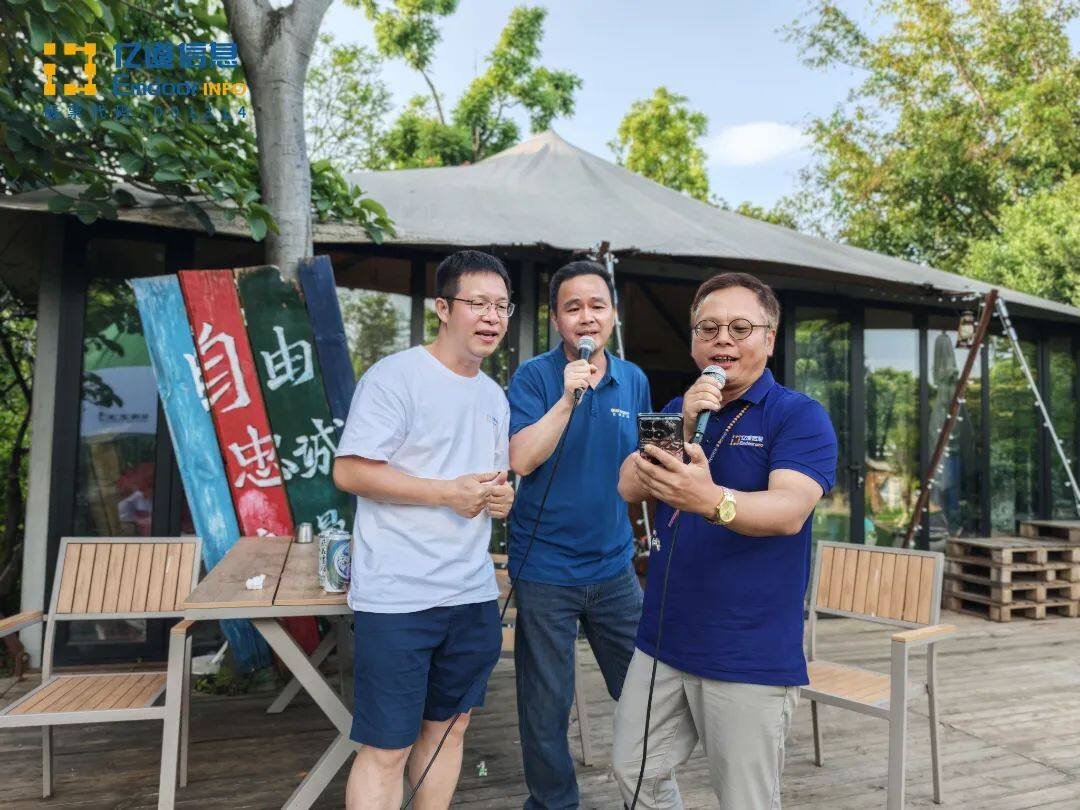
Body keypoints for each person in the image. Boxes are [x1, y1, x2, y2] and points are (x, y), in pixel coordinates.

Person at [612, 272, 838, 810]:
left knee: (745, 801)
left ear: (769, 338)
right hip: (663, 639)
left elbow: (789, 511)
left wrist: (711, 500)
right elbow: (627, 483)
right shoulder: (678, 408)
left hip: (747, 650)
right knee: (632, 770)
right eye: (708, 327)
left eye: (741, 327)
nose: (723, 339)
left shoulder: (798, 415)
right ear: (693, 341)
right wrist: (685, 421)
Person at [333, 249, 517, 810]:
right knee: (386, 748)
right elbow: (350, 470)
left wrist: (498, 496)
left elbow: (478, 481)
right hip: (398, 597)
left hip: (471, 593)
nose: (492, 317)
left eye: (503, 306)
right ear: (442, 307)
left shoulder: (493, 395)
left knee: (449, 732)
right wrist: (447, 493)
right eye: (478, 303)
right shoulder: (396, 377)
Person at [507, 260, 652, 809]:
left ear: (612, 314)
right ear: (555, 319)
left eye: (597, 306)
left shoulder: (633, 379)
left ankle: (647, 793)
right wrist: (568, 400)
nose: (586, 317)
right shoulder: (534, 378)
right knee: (546, 707)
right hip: (545, 569)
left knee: (644, 691)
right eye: (573, 308)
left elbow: (638, 466)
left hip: (614, 567)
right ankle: (553, 804)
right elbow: (520, 458)